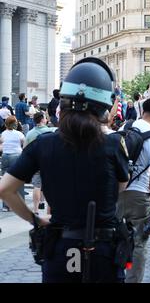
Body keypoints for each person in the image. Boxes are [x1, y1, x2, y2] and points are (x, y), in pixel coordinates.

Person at [0, 57, 131, 283]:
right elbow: (120, 188)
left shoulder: (43, 144)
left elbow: (5, 189)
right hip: (103, 251)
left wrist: (35, 219)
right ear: (104, 105)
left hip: (60, 248)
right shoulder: (112, 144)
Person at [116, 98, 150, 283]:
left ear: (142, 110)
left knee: (112, 237)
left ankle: (114, 275)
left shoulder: (124, 128)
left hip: (115, 191)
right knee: (138, 243)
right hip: (138, 196)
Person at [24, 112, 56, 215]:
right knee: (50, 187)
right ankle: (49, 210)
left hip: (35, 162)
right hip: (49, 163)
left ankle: (36, 210)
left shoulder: (30, 133)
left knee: (36, 186)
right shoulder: (51, 131)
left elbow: (25, 149)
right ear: (42, 119)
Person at [0, 116, 25, 212]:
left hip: (5, 156)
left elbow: (1, 147)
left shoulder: (3, 134)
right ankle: (20, 205)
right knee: (19, 180)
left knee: (5, 181)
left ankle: (6, 206)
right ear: (15, 124)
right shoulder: (19, 134)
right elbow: (25, 144)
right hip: (16, 156)